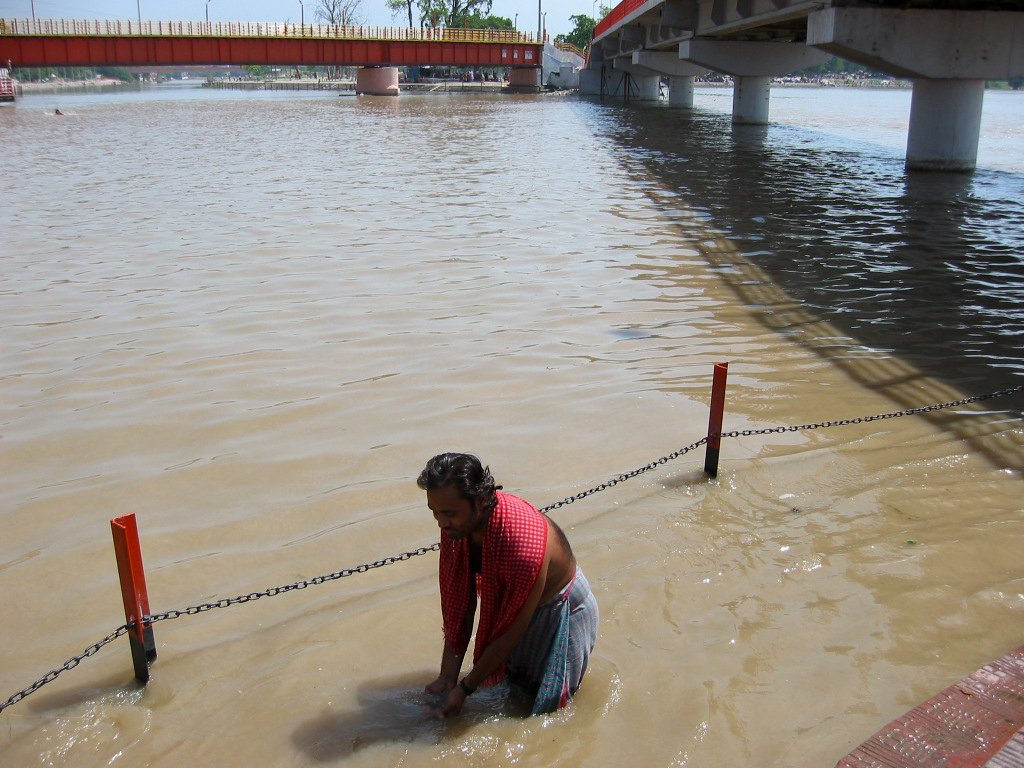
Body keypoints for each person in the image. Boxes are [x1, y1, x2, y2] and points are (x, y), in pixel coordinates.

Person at [418, 452, 599, 717]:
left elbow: (513, 630)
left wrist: (464, 690)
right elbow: (459, 602)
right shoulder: (457, 526)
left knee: (543, 714)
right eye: (434, 512)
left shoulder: (521, 544)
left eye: (448, 513)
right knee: (513, 692)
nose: (441, 522)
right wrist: (448, 678)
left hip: (561, 611)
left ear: (480, 499)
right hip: (522, 605)